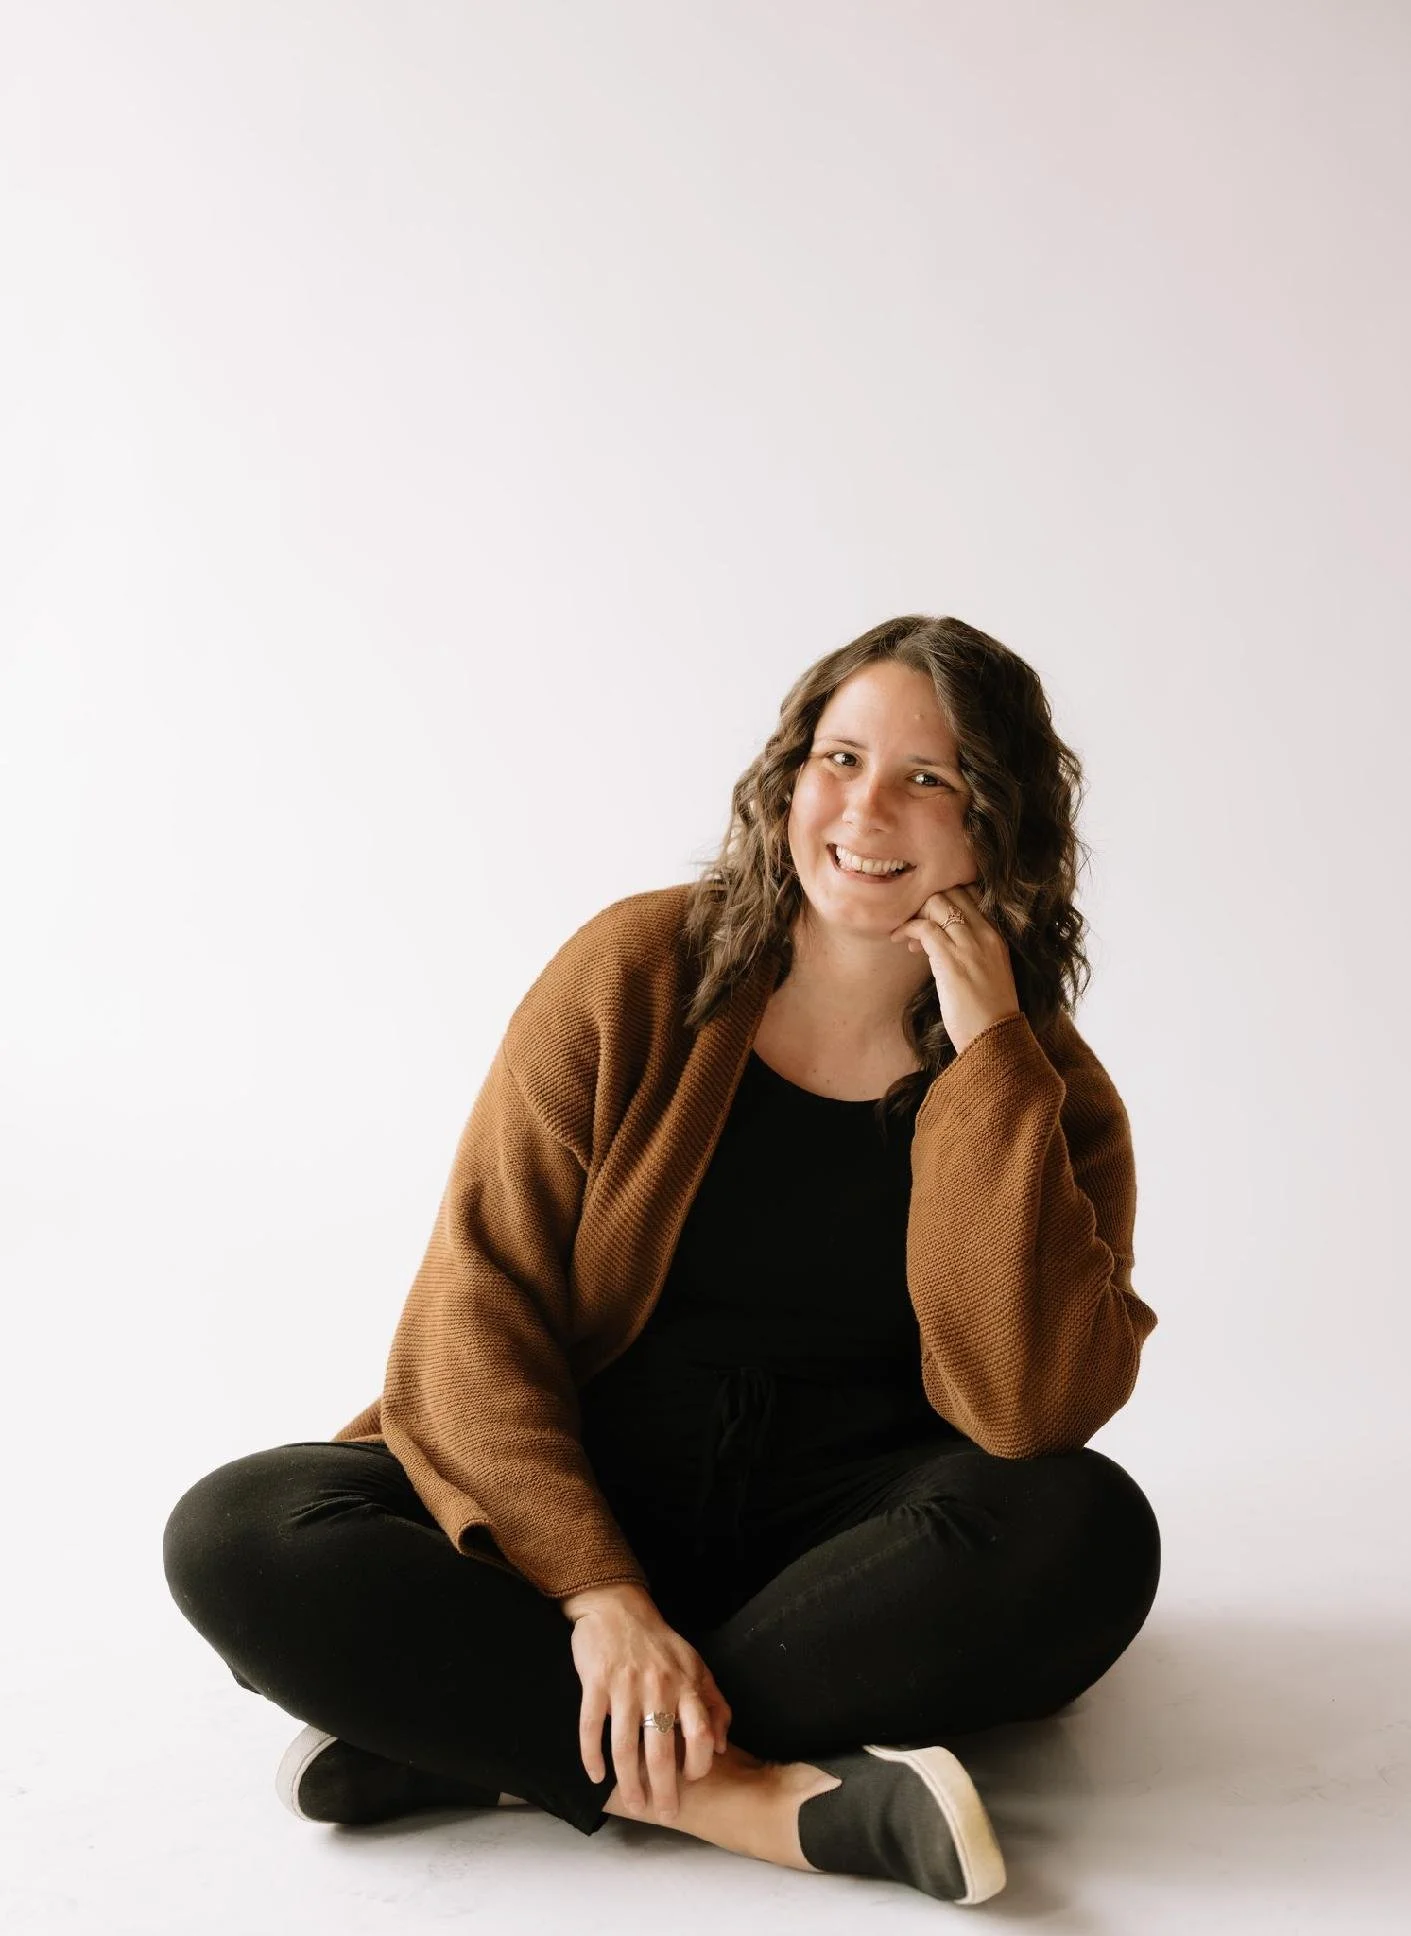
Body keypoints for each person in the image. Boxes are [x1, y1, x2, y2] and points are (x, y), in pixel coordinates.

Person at [162, 614, 1162, 1907]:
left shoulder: (1045, 1088)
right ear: (786, 777)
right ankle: (749, 1798)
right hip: (589, 1496)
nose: (867, 808)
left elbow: (1030, 1411)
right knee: (244, 1533)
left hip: (839, 1555)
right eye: (839, 757)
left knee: (1085, 1529)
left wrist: (986, 1066)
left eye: (931, 777)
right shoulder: (637, 969)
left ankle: (495, 1744)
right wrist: (598, 1597)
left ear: (1000, 823)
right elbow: (477, 1305)